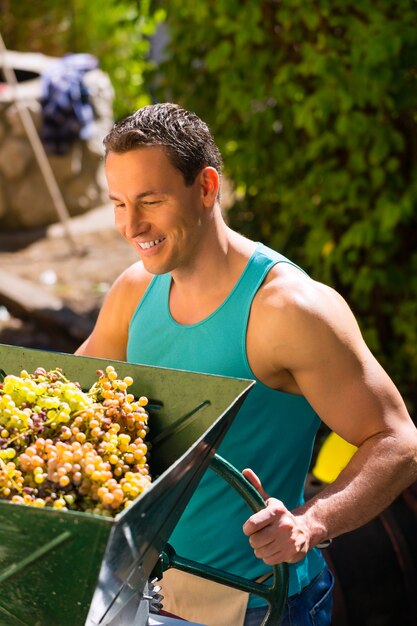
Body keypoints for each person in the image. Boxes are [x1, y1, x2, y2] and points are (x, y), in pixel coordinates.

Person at [76, 102, 417, 625]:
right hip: (143, 595)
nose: (131, 225)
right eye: (118, 203)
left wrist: (311, 521)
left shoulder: (288, 310)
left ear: (207, 187)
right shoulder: (134, 292)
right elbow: (66, 407)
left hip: (256, 604)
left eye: (151, 200)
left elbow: (398, 442)